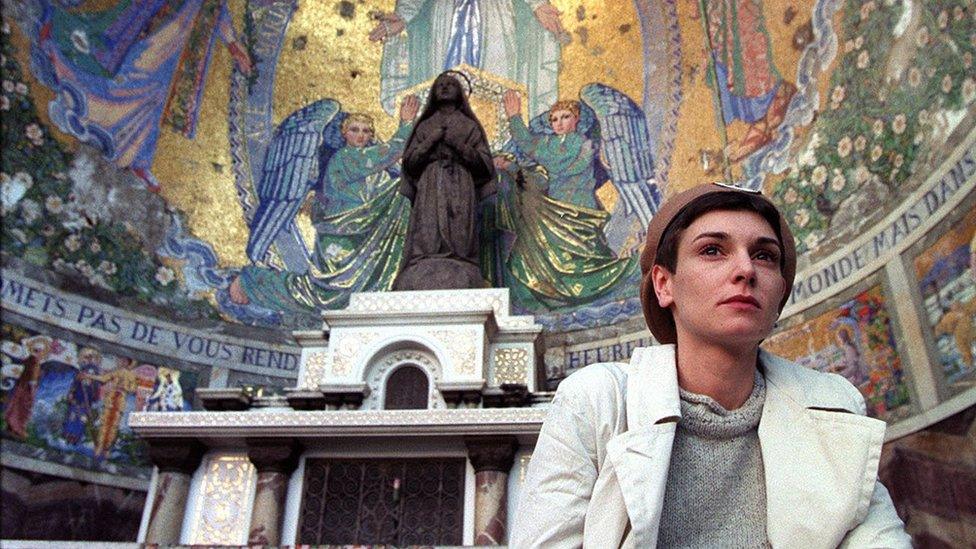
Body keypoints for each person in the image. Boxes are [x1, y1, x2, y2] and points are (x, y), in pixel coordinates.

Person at [512, 183, 911, 547]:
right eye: (712, 250)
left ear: (780, 293)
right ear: (664, 285)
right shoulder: (598, 402)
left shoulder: (833, 407)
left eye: (765, 256)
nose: (746, 270)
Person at [229, 98, 420, 313]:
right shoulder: (346, 159)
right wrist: (406, 123)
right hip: (339, 238)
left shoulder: (374, 173)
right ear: (344, 134)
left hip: (362, 239)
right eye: (355, 130)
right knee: (322, 294)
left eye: (366, 131)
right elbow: (391, 152)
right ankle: (251, 282)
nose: (360, 135)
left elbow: (392, 189)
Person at [493, 93, 635, 308]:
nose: (559, 123)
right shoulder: (553, 142)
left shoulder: (580, 143)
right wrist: (509, 167)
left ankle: (613, 281)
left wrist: (514, 117)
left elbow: (540, 153)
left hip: (577, 208)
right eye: (554, 119)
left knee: (582, 257)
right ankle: (552, 294)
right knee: (536, 249)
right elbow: (539, 180)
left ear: (576, 119)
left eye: (565, 117)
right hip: (554, 207)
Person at [392, 72, 495, 290]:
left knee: (459, 222)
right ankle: (425, 258)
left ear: (460, 93)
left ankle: (460, 258)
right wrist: (432, 139)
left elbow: (485, 165)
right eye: (440, 85)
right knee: (428, 222)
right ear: (433, 94)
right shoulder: (425, 126)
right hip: (430, 181)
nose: (445, 88)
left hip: (460, 182)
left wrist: (458, 144)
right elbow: (409, 163)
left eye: (451, 85)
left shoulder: (469, 126)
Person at [3, 335, 53, 439]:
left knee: (20, 408)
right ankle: (16, 428)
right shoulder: (34, 361)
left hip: (22, 387)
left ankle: (13, 428)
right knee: (22, 408)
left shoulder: (33, 361)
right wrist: (33, 388)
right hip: (26, 388)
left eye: (41, 351)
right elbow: (33, 376)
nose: (39, 353)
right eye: (37, 350)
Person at [62, 346, 103, 444]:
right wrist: (71, 393)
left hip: (87, 401)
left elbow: (97, 387)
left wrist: (95, 396)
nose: (89, 360)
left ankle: (76, 436)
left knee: (82, 419)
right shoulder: (81, 370)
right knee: (72, 416)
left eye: (92, 358)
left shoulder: (96, 372)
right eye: (87, 357)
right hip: (77, 398)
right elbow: (75, 383)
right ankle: (68, 434)